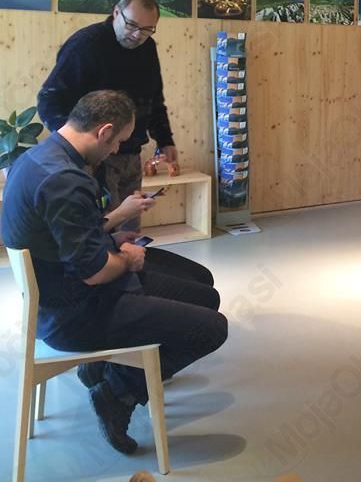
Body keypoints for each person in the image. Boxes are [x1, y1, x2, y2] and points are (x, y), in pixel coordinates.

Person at [1, 91, 228, 455]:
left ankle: (101, 368)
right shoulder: (65, 180)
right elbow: (95, 273)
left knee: (203, 285)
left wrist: (110, 233)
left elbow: (69, 236)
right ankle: (117, 391)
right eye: (119, 142)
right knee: (213, 328)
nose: (116, 150)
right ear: (104, 131)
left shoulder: (39, 158)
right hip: (75, 313)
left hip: (62, 291)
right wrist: (129, 260)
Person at [37, 0, 213, 287]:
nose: (137, 35)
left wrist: (165, 139)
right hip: (95, 158)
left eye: (147, 29)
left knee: (129, 228)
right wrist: (75, 149)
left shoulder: (147, 47)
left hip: (131, 152)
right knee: (103, 231)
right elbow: (49, 100)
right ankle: (108, 295)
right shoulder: (85, 45)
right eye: (132, 25)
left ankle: (133, 287)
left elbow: (154, 99)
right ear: (116, 13)